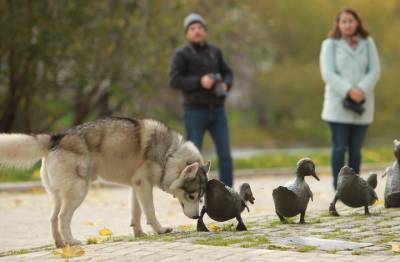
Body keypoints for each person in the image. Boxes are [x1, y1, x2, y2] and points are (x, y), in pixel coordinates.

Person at [169, 13, 234, 187]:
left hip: (218, 110)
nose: (197, 31)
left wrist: (226, 84)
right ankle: (192, 188)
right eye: (192, 28)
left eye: (199, 27)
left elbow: (228, 72)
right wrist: (200, 82)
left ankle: (228, 191)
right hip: (195, 111)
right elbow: (174, 80)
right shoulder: (181, 55)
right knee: (193, 156)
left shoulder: (215, 51)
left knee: (225, 153)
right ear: (187, 34)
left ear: (204, 31)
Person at [319, 8, 380, 190]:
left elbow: (375, 70)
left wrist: (361, 89)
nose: (347, 24)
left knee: (356, 149)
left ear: (357, 23)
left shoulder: (368, 43)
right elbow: (328, 73)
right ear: (338, 24)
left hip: (363, 103)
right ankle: (339, 187)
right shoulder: (330, 44)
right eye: (343, 21)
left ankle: (354, 187)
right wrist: (348, 90)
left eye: (351, 21)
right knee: (339, 148)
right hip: (339, 105)